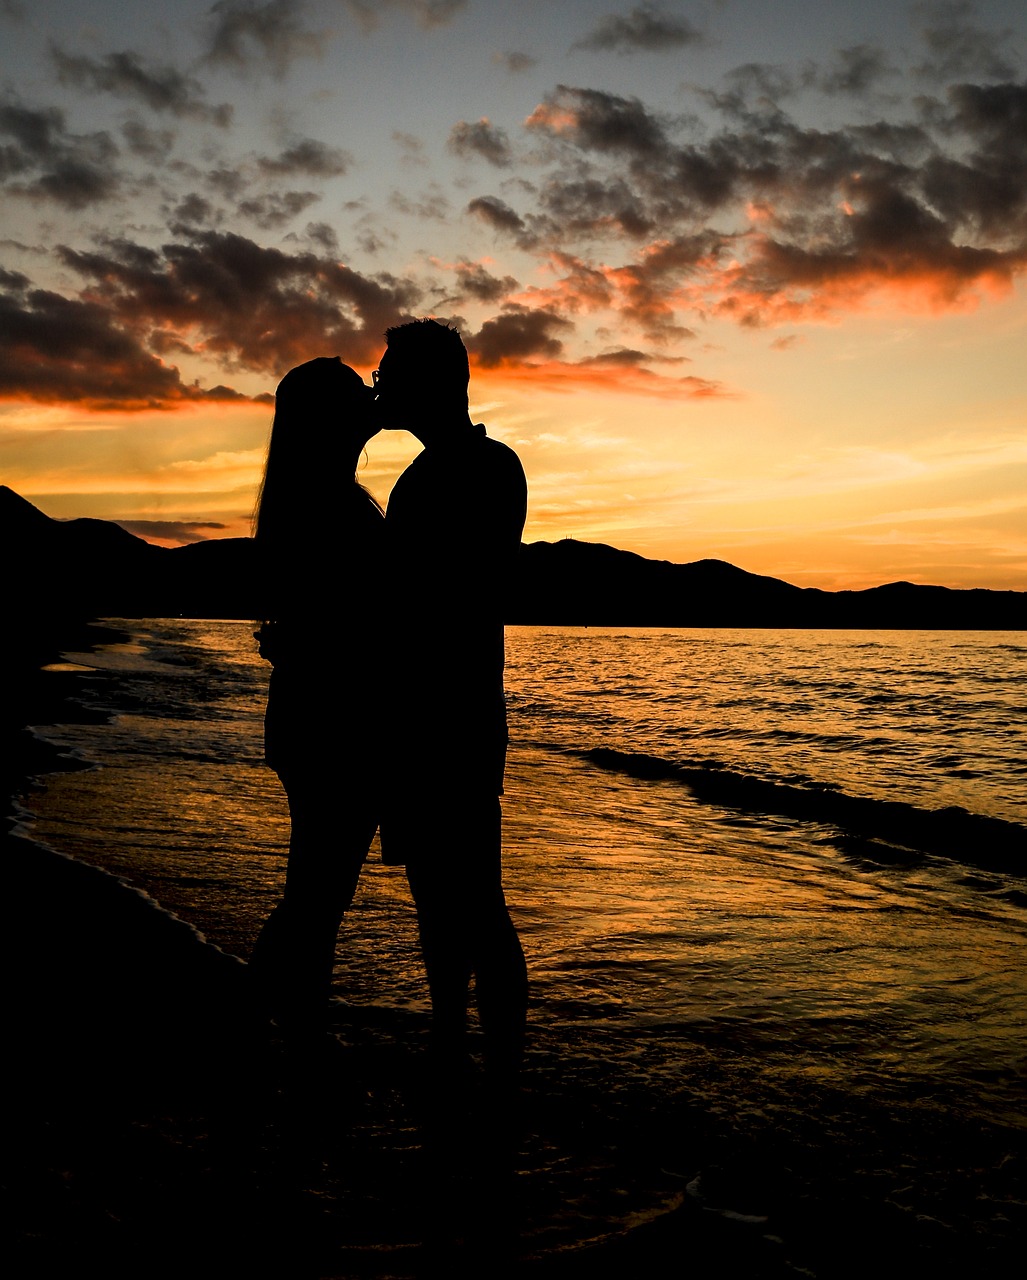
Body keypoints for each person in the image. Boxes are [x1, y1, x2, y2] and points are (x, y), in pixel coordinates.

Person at [373, 318, 529, 1087]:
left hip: (454, 715)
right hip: (427, 714)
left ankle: (499, 1063)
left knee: (473, 898)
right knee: (439, 897)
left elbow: (449, 593)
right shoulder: (434, 471)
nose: (377, 387)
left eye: (389, 375)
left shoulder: (479, 467)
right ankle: (449, 1042)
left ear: (433, 383)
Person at [249, 356, 383, 1042]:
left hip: (311, 718)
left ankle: (292, 1028)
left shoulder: (316, 498)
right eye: (358, 390)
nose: (373, 394)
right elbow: (351, 627)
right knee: (316, 899)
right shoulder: (331, 506)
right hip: (333, 725)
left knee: (314, 895)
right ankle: (277, 1030)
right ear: (332, 418)